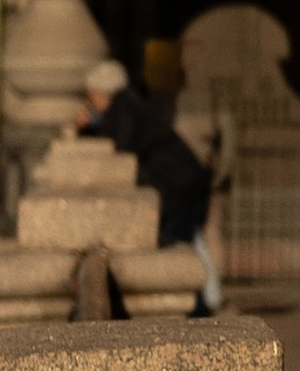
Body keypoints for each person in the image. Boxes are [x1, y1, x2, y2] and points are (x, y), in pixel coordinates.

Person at [77, 58, 213, 270]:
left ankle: (202, 301)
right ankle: (208, 297)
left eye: (90, 95)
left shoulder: (124, 110)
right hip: (182, 184)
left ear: (101, 94)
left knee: (177, 248)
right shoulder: (128, 106)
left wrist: (88, 127)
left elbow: (120, 150)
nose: (89, 102)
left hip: (176, 186)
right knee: (188, 245)